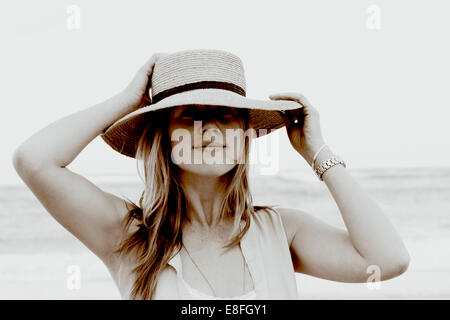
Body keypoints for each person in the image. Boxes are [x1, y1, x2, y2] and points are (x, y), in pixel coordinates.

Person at [12, 49, 410, 300]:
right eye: (191, 115)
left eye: (224, 115)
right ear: (165, 137)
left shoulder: (279, 230)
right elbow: (34, 160)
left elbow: (387, 260)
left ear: (243, 135)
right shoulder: (131, 237)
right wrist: (127, 101)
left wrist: (316, 152)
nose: (211, 129)